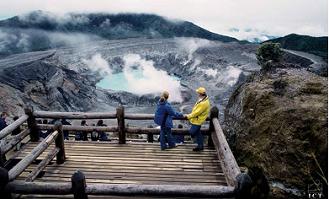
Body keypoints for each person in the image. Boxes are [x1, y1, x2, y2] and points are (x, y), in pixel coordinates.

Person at [184, 87, 210, 152]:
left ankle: (199, 145)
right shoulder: (203, 99)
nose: (197, 93)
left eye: (198, 92)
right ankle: (200, 146)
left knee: (192, 132)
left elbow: (197, 112)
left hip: (198, 120)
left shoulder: (203, 103)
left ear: (200, 93)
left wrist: (188, 116)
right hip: (197, 119)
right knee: (198, 133)